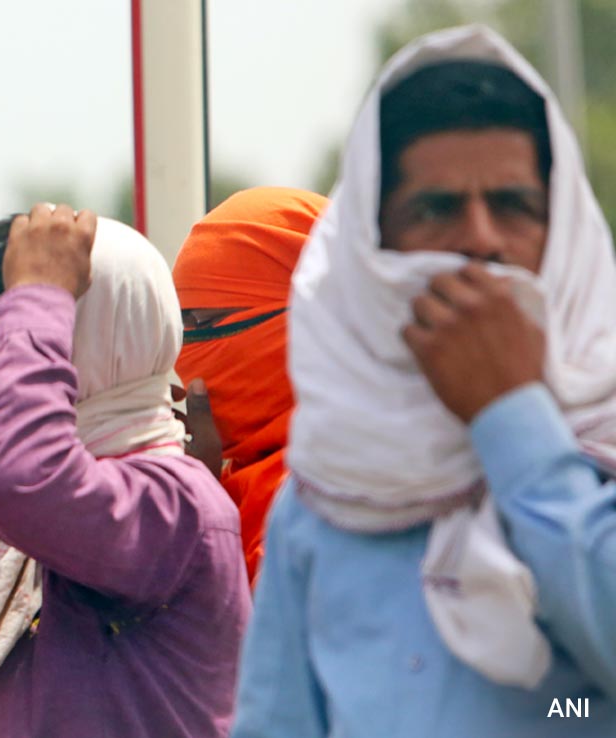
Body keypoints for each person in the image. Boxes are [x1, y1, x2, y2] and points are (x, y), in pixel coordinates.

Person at [232, 26, 616, 737]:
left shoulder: (605, 445)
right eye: (436, 210)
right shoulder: (327, 495)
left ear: (560, 228)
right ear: (375, 245)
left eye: (512, 205)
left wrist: (515, 420)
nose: (481, 239)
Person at [0, 205, 251, 736]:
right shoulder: (12, 525)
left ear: (80, 344)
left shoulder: (173, 506)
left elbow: (26, 480)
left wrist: (36, 297)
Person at [173, 186, 328, 585]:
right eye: (180, 328)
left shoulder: (341, 500)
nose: (182, 357)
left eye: (205, 325)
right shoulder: (236, 484)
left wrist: (200, 519)